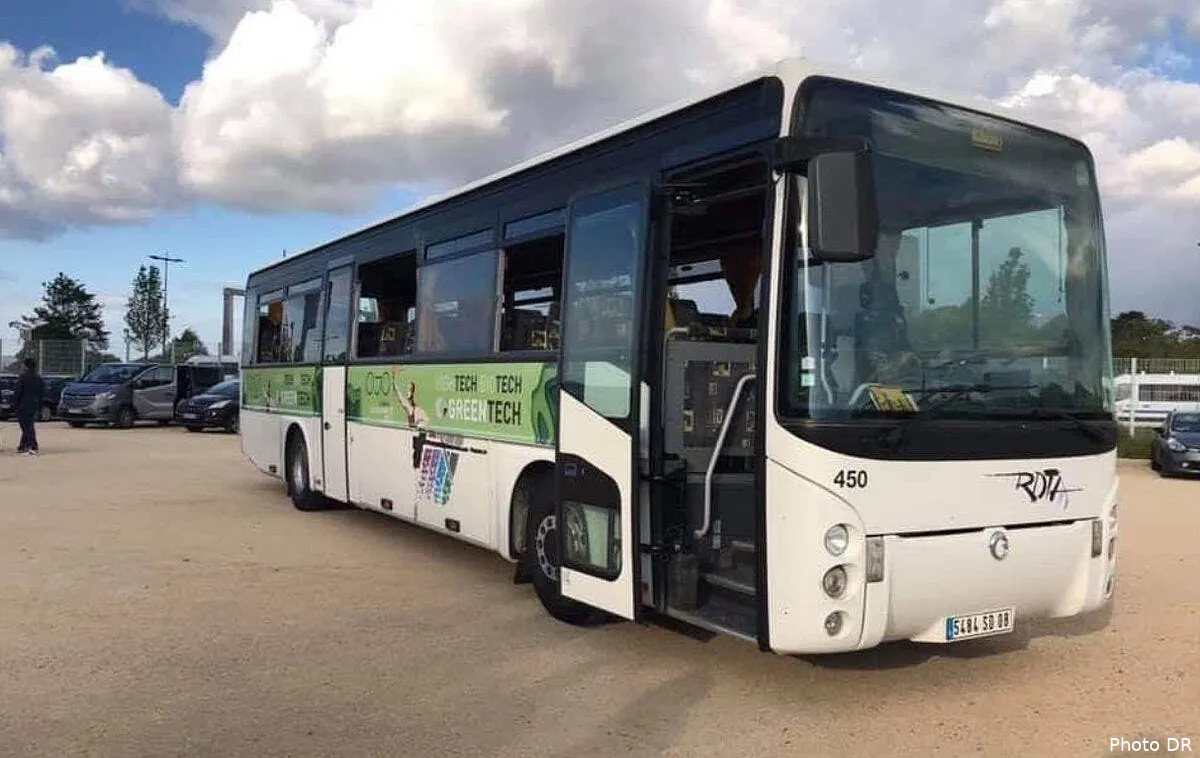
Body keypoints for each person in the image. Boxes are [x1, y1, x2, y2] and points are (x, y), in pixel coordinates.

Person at [14, 357, 45, 456]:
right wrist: (39, 406)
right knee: (28, 425)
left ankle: (33, 446)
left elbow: (18, 392)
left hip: (24, 404)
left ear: (26, 366)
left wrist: (15, 404)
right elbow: (42, 393)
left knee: (27, 426)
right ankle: (22, 446)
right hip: (34, 404)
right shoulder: (38, 378)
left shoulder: (22, 377)